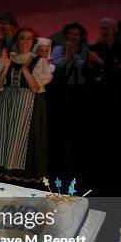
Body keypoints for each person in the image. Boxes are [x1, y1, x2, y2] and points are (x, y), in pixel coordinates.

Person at [0, 27, 53, 181]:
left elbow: (35, 87)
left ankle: (20, 177)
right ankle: (3, 174)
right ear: (17, 40)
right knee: (5, 137)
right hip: (7, 103)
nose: (25, 41)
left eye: (29, 38)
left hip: (29, 104)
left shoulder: (39, 61)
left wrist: (25, 69)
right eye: (22, 38)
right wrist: (6, 67)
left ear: (33, 42)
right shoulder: (7, 58)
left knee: (23, 140)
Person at [82, 18, 121, 190]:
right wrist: (90, 62)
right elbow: (86, 72)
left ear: (116, 30)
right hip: (93, 100)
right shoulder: (94, 48)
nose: (103, 31)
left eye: (107, 28)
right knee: (92, 138)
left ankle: (108, 178)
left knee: (110, 138)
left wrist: (101, 62)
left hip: (112, 100)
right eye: (101, 28)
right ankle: (90, 177)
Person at [49, 22, 89, 176]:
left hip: (78, 92)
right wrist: (68, 56)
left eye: (76, 34)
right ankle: (57, 164)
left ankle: (73, 165)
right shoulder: (58, 49)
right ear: (66, 35)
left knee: (75, 129)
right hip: (60, 92)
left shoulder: (85, 50)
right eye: (70, 34)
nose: (73, 37)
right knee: (58, 127)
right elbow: (55, 67)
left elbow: (84, 68)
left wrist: (75, 55)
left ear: (81, 37)